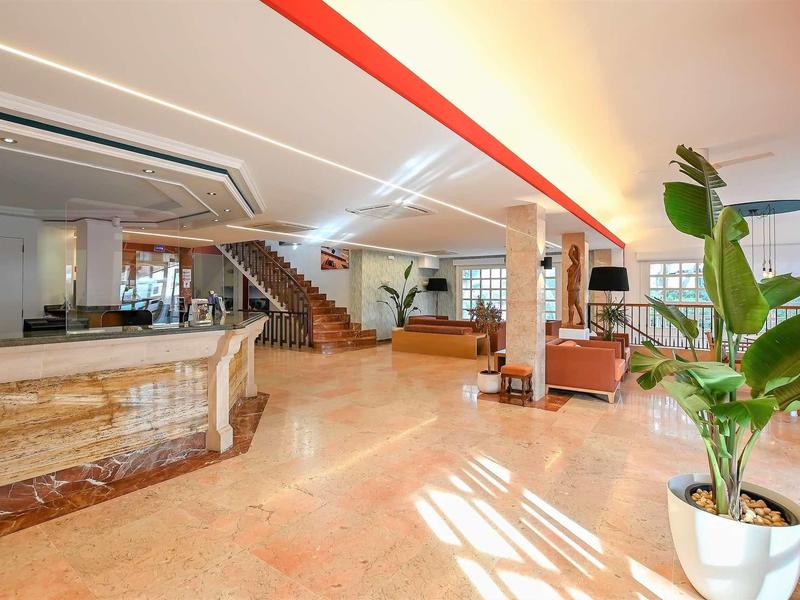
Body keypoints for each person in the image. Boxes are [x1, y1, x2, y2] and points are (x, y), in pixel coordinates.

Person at [566, 244, 584, 326]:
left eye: (573, 254)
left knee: (571, 305)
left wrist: (572, 245)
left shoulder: (576, 264)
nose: (572, 255)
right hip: (575, 287)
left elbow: (569, 254)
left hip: (573, 288)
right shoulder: (576, 265)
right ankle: (582, 321)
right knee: (577, 304)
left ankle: (570, 321)